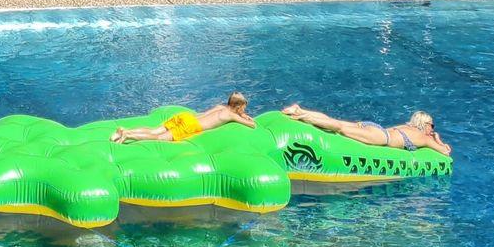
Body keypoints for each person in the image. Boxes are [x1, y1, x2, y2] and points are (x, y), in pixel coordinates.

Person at [281, 105, 451, 156]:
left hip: (373, 127)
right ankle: (302, 116)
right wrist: (437, 138)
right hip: (380, 136)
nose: (432, 129)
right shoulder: (424, 137)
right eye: (432, 126)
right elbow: (445, 151)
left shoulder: (406, 127)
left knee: (338, 122)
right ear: (426, 124)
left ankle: (300, 109)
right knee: (340, 127)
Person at [111, 93, 256, 144]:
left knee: (155, 130)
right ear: (238, 107)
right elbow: (252, 125)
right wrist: (243, 116)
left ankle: (124, 130)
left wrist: (241, 113)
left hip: (186, 117)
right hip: (190, 126)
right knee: (159, 138)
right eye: (243, 108)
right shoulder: (231, 115)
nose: (244, 111)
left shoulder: (221, 107)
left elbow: (227, 110)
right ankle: (127, 135)